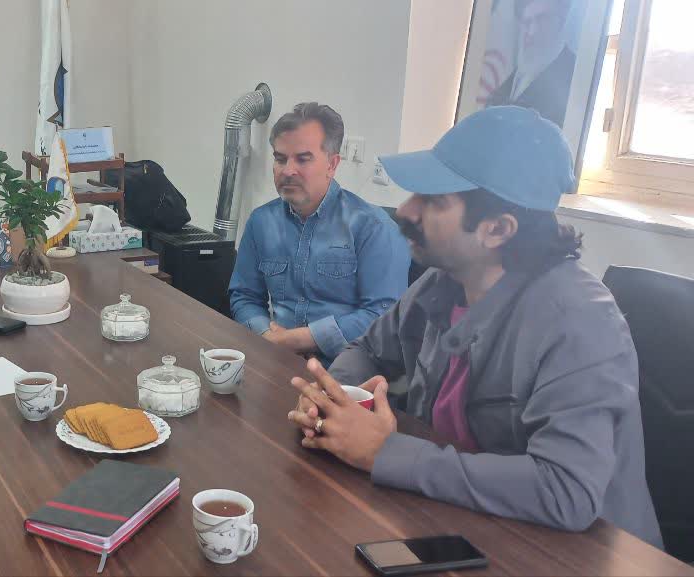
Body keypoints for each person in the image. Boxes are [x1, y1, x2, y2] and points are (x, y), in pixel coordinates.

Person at [285, 106, 663, 548]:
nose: (404, 210)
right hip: (465, 521)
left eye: (433, 200)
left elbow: (567, 490)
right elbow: (369, 349)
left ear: (497, 229)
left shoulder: (581, 321)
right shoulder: (445, 280)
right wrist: (334, 399)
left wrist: (385, 453)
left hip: (577, 553)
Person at [229, 102, 409, 364]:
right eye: (280, 159)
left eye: (303, 159)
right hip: (275, 358)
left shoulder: (373, 228)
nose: (287, 170)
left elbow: (384, 316)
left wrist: (298, 339)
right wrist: (265, 334)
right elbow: (244, 295)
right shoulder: (261, 222)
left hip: (348, 370)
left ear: (332, 164)